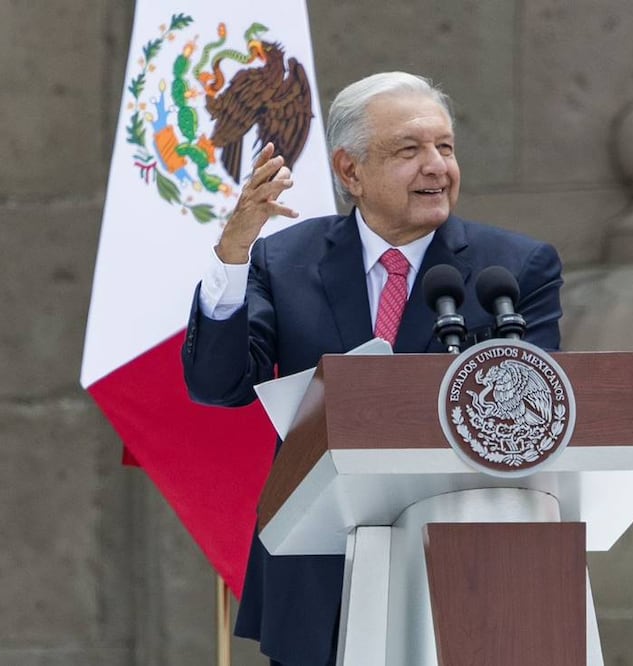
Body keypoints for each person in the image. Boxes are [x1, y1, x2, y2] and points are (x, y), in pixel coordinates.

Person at [182, 71, 564, 666]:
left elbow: (538, 423)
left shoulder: (512, 271)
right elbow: (216, 386)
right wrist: (233, 256)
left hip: (470, 573)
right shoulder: (285, 260)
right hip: (318, 579)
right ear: (349, 171)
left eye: (446, 147)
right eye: (409, 151)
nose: (437, 166)